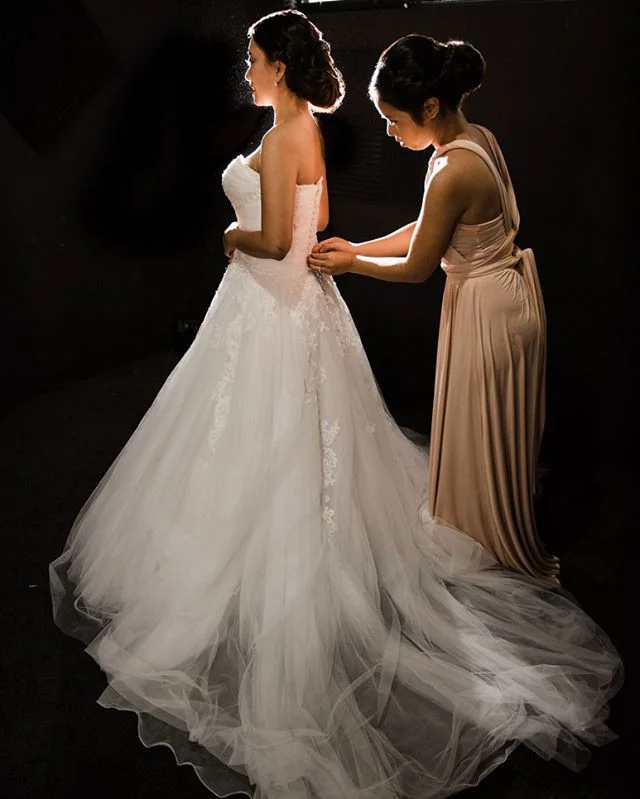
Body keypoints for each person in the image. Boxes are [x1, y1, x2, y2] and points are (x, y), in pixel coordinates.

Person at [50, 16, 622, 799]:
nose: (245, 71)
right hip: (302, 300)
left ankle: (284, 562)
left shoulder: (318, 139)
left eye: (254, 60)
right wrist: (339, 252)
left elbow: (288, 233)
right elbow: (328, 227)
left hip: (304, 300)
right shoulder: (313, 128)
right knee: (269, 433)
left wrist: (235, 237)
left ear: (279, 66)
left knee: (273, 437)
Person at [309, 34, 559, 583]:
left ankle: (487, 537)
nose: (390, 133)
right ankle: (484, 522)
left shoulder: (453, 172)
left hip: (488, 311)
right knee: (483, 436)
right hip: (499, 299)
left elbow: (418, 267)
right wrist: (356, 247)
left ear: (428, 107)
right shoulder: (473, 140)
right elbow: (425, 230)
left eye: (394, 120)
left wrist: (351, 266)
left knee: (481, 434)